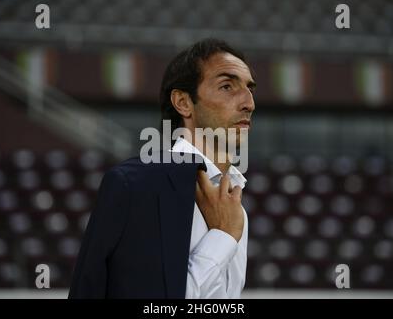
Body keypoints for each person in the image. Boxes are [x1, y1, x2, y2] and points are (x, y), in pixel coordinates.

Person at [69, 38, 256, 299]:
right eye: (227, 86)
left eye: (249, 89)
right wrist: (222, 237)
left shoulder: (236, 204)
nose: (249, 103)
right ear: (183, 102)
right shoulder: (134, 185)